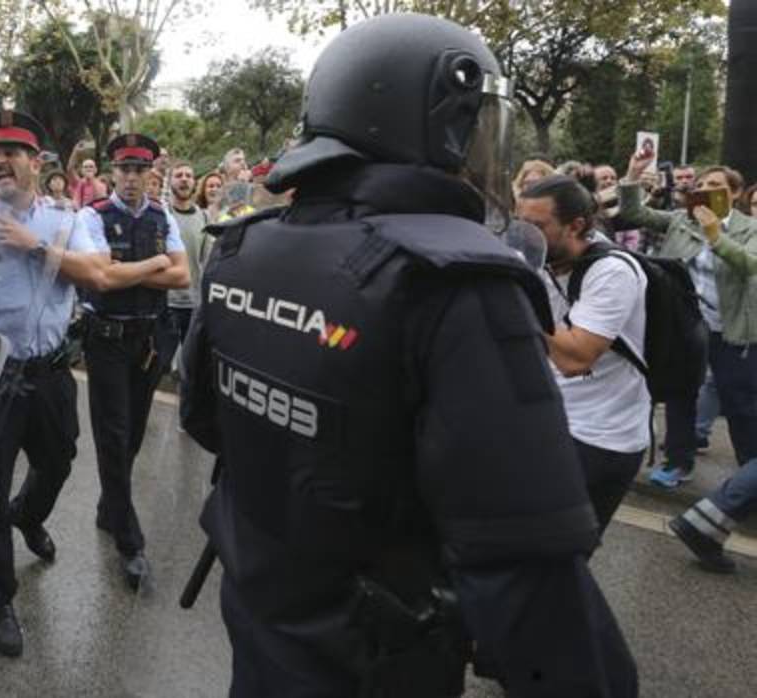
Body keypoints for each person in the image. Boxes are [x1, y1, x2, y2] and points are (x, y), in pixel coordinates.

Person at [180, 14, 637, 697]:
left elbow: (205, 420)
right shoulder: (455, 282)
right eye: (475, 127)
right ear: (433, 123)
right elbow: (525, 568)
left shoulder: (245, 247)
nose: (483, 150)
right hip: (376, 657)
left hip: (263, 625)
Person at [0, 110, 123, 657]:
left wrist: (34, 245)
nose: (1, 160)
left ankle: (29, 515)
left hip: (50, 373)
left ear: (36, 162)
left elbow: (98, 275)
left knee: (61, 459)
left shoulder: (70, 221)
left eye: (13, 152)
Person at [77, 133, 191, 590]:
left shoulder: (163, 217)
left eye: (139, 169)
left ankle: (110, 507)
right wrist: (157, 262)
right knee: (114, 433)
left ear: (151, 174)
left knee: (133, 434)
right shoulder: (93, 215)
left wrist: (138, 270)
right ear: (112, 172)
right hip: (106, 340)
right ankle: (130, 541)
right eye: (123, 169)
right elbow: (102, 277)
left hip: (150, 338)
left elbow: (183, 276)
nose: (131, 177)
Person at [519, 175, 649, 534]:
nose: (525, 236)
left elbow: (574, 359)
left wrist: (517, 296)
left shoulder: (613, 272)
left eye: (536, 226)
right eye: (520, 224)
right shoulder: (543, 262)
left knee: (557, 556)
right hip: (552, 421)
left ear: (576, 225)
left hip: (600, 438)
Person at [619, 156, 757, 488]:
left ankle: (748, 475)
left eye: (716, 186)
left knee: (739, 402)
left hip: (731, 330)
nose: (707, 191)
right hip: (687, 326)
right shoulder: (682, 219)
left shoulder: (749, 228)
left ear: (735, 194)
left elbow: (750, 265)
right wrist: (632, 178)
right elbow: (636, 214)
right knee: (681, 393)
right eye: (702, 185)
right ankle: (679, 462)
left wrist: (716, 236)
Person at [165, 161, 211, 347]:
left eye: (188, 176)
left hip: (194, 303)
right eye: (178, 175)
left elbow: (206, 260)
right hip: (166, 303)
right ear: (169, 182)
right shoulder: (161, 214)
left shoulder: (205, 218)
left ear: (194, 182)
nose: (184, 179)